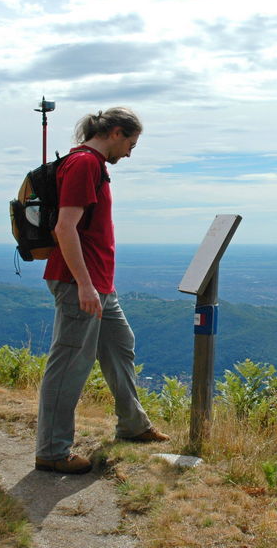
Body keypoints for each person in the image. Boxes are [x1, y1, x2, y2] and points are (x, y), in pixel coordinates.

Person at [35, 107, 169, 475]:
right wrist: (84, 285)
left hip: (97, 285)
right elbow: (66, 229)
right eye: (131, 143)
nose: (129, 152)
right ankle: (52, 450)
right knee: (69, 364)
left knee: (120, 345)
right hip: (81, 283)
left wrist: (95, 286)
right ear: (115, 132)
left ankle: (133, 425)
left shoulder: (92, 165)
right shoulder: (85, 164)